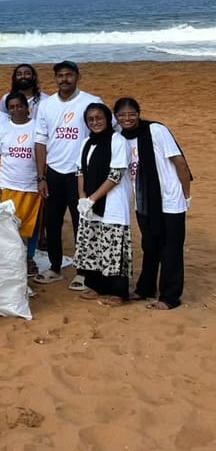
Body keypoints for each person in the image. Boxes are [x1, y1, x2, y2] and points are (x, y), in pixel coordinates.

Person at [114, 97, 192, 310]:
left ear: (139, 113)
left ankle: (170, 296)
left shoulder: (156, 130)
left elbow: (179, 162)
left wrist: (186, 195)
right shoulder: (120, 138)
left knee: (171, 248)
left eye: (132, 114)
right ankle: (145, 289)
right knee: (149, 246)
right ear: (116, 117)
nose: (127, 118)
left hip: (170, 199)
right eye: (122, 115)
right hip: (144, 201)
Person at [33, 61, 103, 290]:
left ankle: (84, 271)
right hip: (54, 172)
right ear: (55, 78)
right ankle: (55, 267)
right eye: (60, 76)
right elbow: (40, 141)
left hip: (80, 174)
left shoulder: (91, 102)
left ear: (77, 77)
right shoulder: (46, 105)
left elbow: (105, 133)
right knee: (52, 222)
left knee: (81, 222)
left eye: (69, 75)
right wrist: (41, 177)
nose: (64, 79)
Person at [73, 102, 133, 306]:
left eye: (99, 118)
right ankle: (97, 286)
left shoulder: (117, 141)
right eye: (90, 119)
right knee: (94, 245)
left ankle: (118, 292)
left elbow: (116, 174)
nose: (95, 122)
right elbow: (80, 171)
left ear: (108, 119)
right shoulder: (86, 143)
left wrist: (93, 198)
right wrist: (82, 197)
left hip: (112, 204)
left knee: (113, 247)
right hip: (90, 205)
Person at [0, 92, 41, 276]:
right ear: (8, 109)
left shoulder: (38, 127)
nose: (16, 110)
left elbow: (44, 156)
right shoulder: (2, 129)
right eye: (12, 107)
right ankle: (12, 259)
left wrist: (43, 180)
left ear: (27, 108)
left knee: (31, 226)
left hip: (32, 186)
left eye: (19, 106)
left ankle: (29, 258)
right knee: (10, 226)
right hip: (8, 185)